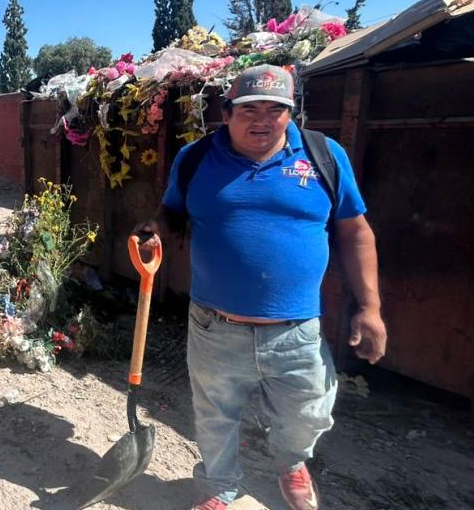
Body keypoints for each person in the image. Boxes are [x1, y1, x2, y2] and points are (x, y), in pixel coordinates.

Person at [134, 66, 387, 510]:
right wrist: (154, 229)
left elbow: (355, 232)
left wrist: (369, 307)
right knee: (215, 417)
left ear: (292, 114)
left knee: (308, 415)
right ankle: (218, 486)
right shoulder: (195, 158)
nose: (263, 120)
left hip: (297, 330)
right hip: (215, 325)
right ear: (227, 112)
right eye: (250, 108)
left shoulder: (324, 156)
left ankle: (291, 462)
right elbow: (171, 210)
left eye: (277, 110)